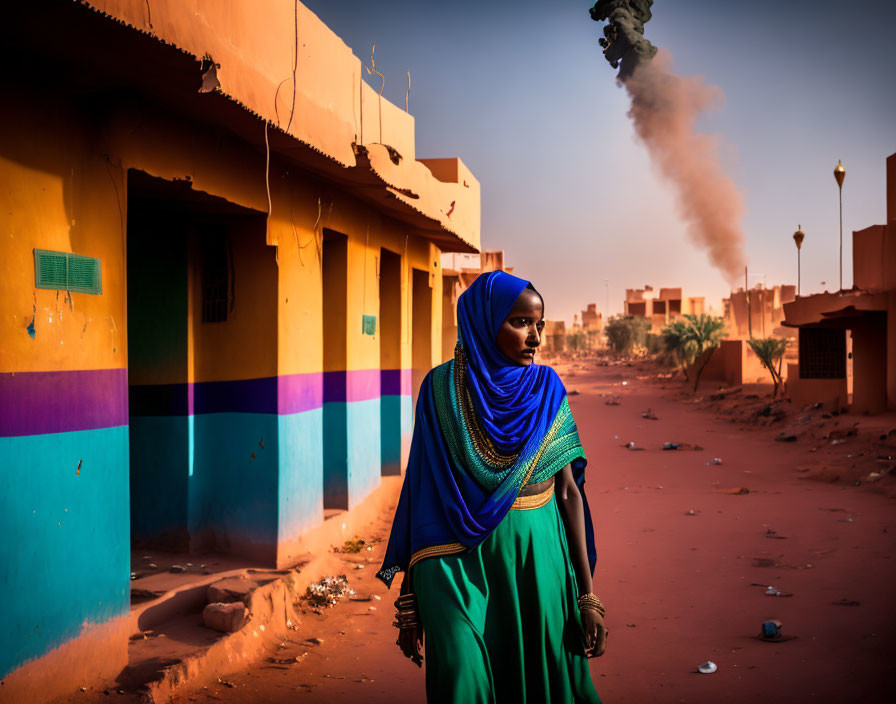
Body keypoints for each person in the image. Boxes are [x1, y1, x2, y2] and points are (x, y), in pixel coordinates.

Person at [376, 270, 606, 704]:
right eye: (519, 322)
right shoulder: (440, 390)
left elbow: (569, 492)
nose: (534, 337)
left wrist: (588, 595)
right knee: (462, 678)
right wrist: (409, 596)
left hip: (535, 562)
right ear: (482, 322)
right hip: (452, 562)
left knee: (542, 681)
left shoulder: (547, 390)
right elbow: (421, 494)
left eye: (539, 325)